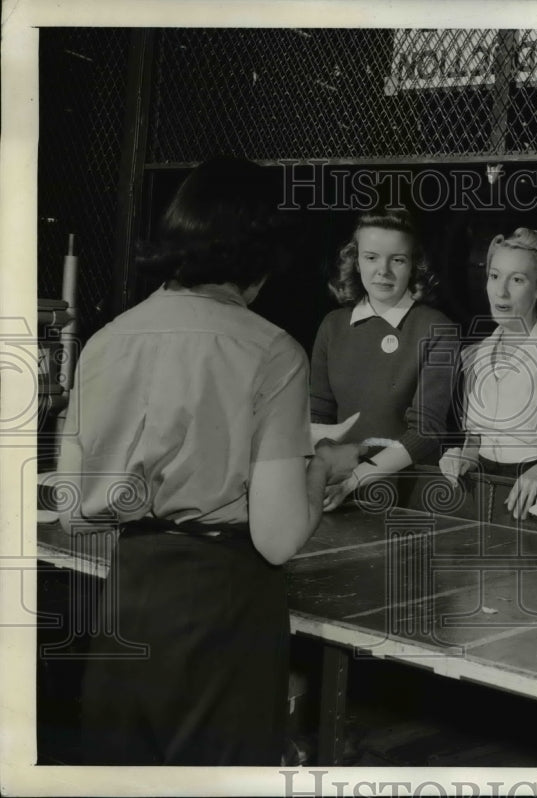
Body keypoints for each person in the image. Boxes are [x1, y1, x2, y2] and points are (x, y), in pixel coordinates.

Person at [57, 156, 358, 765]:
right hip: (226, 609)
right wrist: (324, 465)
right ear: (260, 255)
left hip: (129, 600)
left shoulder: (107, 340)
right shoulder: (274, 352)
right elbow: (276, 539)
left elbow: (74, 511)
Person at [439, 228, 537, 519]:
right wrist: (461, 457)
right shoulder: (475, 355)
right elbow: (476, 439)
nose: (501, 291)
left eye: (517, 279)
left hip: (534, 499)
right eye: (495, 276)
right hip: (479, 495)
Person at [310, 208, 458, 509]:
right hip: (337, 492)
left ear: (414, 264)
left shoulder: (437, 328)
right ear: (356, 261)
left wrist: (355, 479)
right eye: (371, 257)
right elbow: (318, 415)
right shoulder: (332, 326)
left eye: (398, 260)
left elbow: (426, 432)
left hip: (411, 497)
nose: (383, 271)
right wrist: (329, 471)